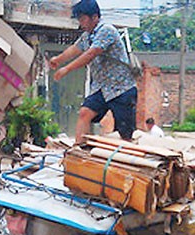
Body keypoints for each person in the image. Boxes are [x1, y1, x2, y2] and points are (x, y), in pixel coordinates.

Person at [49, 0, 138, 143]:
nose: (81, 23)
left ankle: (127, 159)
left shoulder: (106, 31)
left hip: (121, 88)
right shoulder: (87, 36)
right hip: (101, 88)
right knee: (85, 113)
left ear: (95, 17)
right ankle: (79, 150)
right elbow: (75, 49)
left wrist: (66, 69)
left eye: (83, 18)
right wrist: (58, 60)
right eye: (79, 19)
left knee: (125, 134)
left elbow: (90, 54)